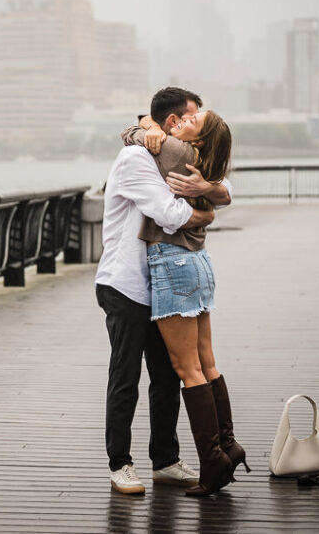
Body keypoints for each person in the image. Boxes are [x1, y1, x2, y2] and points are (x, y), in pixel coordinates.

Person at [95, 87, 232, 495]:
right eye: (190, 117)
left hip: (162, 283)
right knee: (126, 375)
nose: (192, 125)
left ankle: (166, 460)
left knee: (167, 376)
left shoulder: (171, 154)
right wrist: (205, 210)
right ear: (172, 122)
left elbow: (223, 184)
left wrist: (207, 191)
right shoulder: (136, 158)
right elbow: (168, 214)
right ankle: (120, 463)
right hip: (126, 283)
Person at [127, 105, 248, 497]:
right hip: (198, 263)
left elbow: (132, 138)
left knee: (187, 368)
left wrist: (143, 126)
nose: (181, 122)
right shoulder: (202, 162)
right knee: (207, 362)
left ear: (198, 138)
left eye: (192, 121)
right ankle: (228, 445)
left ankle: (213, 463)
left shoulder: (177, 151)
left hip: (173, 262)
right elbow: (224, 193)